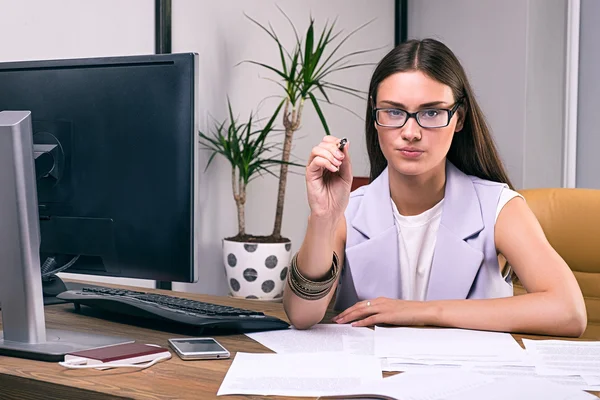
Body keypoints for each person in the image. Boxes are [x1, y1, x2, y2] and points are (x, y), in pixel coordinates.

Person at [283, 38, 587, 337]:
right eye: (393, 112)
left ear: (459, 118)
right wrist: (323, 217)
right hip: (374, 382)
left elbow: (569, 311)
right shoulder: (349, 210)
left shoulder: (499, 207)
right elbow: (302, 314)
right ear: (375, 117)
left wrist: (421, 311)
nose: (411, 132)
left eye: (431, 113)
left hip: (473, 380)